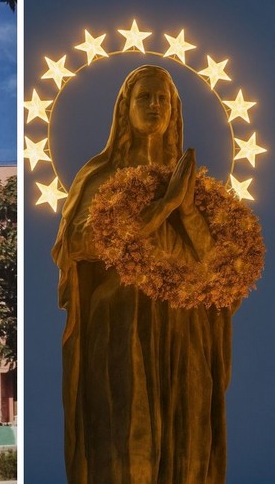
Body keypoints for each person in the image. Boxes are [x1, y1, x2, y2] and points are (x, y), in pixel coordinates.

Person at [52, 65, 234, 483]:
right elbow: (81, 245)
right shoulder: (100, 178)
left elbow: (219, 266)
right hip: (121, 320)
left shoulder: (193, 185)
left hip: (184, 324)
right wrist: (161, 209)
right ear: (124, 110)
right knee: (125, 437)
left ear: (174, 111)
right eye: (145, 97)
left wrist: (185, 208)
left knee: (188, 437)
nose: (155, 105)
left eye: (162, 99)